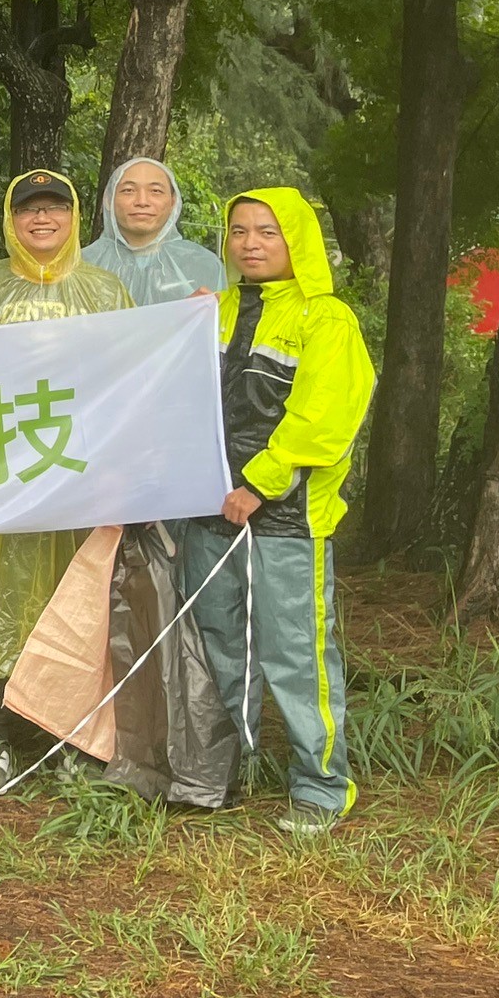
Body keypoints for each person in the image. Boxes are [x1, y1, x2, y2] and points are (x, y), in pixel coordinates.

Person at [177, 190, 375, 835]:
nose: (251, 243)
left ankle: (321, 786)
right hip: (210, 513)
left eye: (267, 231)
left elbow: (324, 420)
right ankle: (219, 771)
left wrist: (259, 485)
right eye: (238, 231)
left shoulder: (327, 320)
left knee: (296, 653)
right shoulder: (214, 312)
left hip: (287, 520)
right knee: (216, 646)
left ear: (297, 240)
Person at [0, 169, 133, 792]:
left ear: (74, 216)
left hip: (80, 474)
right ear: (10, 219)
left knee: (76, 599)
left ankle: (72, 737)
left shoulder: (106, 291)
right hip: (2, 471)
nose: (42, 220)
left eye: (55, 208)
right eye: (30, 211)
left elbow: (135, 376)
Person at [83, 157, 226, 305]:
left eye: (156, 191)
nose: (142, 202)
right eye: (128, 190)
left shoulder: (204, 265)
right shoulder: (82, 265)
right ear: (108, 199)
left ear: (173, 201)